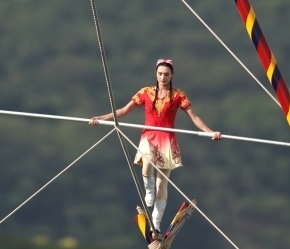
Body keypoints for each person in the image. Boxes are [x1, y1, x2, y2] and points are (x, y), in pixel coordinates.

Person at [89, 59, 221, 235]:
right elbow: (123, 111)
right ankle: (148, 189)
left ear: (172, 75)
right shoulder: (146, 92)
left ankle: (156, 223)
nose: (163, 77)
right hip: (149, 136)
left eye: (166, 74)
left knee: (162, 184)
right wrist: (101, 118)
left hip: (167, 139)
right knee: (148, 160)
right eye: (160, 74)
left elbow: (194, 117)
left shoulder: (178, 95)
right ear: (155, 74)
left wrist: (211, 132)